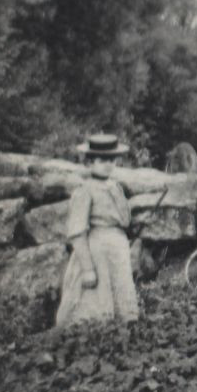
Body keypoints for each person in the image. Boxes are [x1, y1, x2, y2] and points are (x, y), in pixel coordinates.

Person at [57, 133, 140, 328]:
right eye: (102, 160)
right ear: (90, 163)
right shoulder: (85, 190)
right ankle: (91, 341)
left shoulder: (115, 187)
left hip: (117, 252)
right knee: (95, 303)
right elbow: (77, 232)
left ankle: (122, 336)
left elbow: (123, 219)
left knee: (122, 301)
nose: (108, 164)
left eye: (111, 159)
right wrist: (87, 269)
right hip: (97, 253)